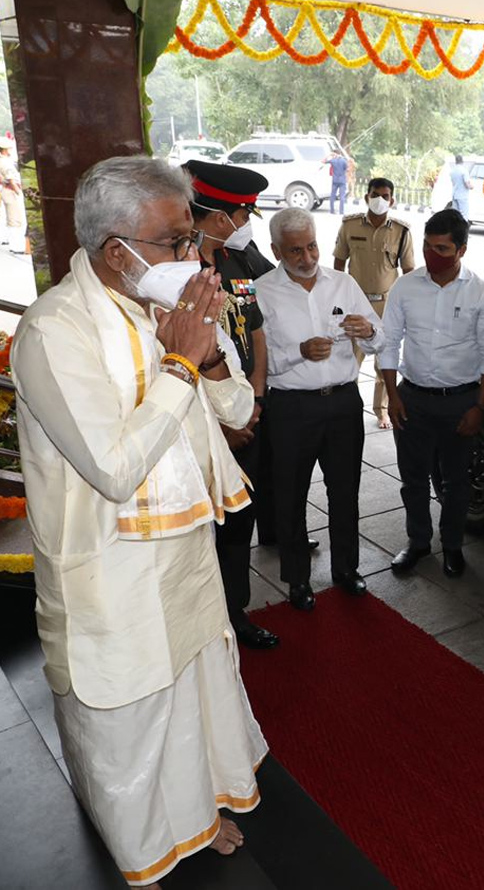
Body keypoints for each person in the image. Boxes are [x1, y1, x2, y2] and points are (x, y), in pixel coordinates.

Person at [10, 155, 267, 887]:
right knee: (125, 720)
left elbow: (242, 415)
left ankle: (192, 814)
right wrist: (180, 367)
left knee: (192, 693)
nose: (192, 256)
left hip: (184, 552)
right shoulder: (54, 332)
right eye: (175, 241)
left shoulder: (164, 304)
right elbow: (114, 468)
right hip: (110, 564)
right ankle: (139, 850)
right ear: (117, 250)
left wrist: (210, 361)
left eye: (191, 239)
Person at [255, 207, 385, 611]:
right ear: (276, 249)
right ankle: (297, 579)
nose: (307, 258)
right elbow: (257, 363)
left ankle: (347, 569)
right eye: (295, 251)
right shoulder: (261, 291)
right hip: (292, 408)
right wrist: (298, 353)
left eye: (311, 246)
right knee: (290, 495)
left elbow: (381, 339)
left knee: (345, 491)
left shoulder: (343, 284)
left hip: (344, 403)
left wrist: (369, 331)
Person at [184, 159, 281, 650]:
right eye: (242, 215)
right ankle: (205, 619)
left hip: (247, 411)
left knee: (242, 517)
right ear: (219, 217)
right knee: (208, 523)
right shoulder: (180, 272)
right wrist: (222, 425)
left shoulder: (239, 261)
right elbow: (178, 355)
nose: (245, 225)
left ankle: (236, 612)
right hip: (207, 427)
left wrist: (256, 398)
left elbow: (256, 330)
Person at [380, 208, 484, 578]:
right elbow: (389, 343)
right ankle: (418, 542)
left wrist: (479, 407)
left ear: (461, 250)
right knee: (413, 479)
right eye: (429, 246)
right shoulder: (405, 287)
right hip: (412, 399)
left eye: (443, 248)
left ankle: (452, 545)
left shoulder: (481, 292)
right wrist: (392, 395)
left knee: (456, 481)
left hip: (461, 402)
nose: (434, 255)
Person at [333, 177, 416, 429]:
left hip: (386, 305)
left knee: (384, 361)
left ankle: (381, 410)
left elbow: (409, 271)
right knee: (350, 359)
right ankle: (348, 408)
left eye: (385, 195)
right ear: (367, 196)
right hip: (355, 304)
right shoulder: (349, 226)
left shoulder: (401, 231)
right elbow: (338, 263)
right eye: (375, 194)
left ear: (392, 200)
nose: (380, 199)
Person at [0, 136, 26, 253]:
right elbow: (10, 179)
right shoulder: (4, 161)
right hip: (11, 190)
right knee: (15, 219)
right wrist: (18, 191)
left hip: (6, 190)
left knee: (10, 217)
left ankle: (11, 242)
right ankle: (16, 246)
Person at [327, 150, 349, 215]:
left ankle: (332, 211)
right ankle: (341, 212)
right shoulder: (344, 161)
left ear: (335, 154)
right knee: (342, 197)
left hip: (335, 180)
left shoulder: (333, 160)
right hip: (342, 180)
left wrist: (329, 155)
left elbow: (323, 161)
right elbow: (347, 169)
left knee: (332, 196)